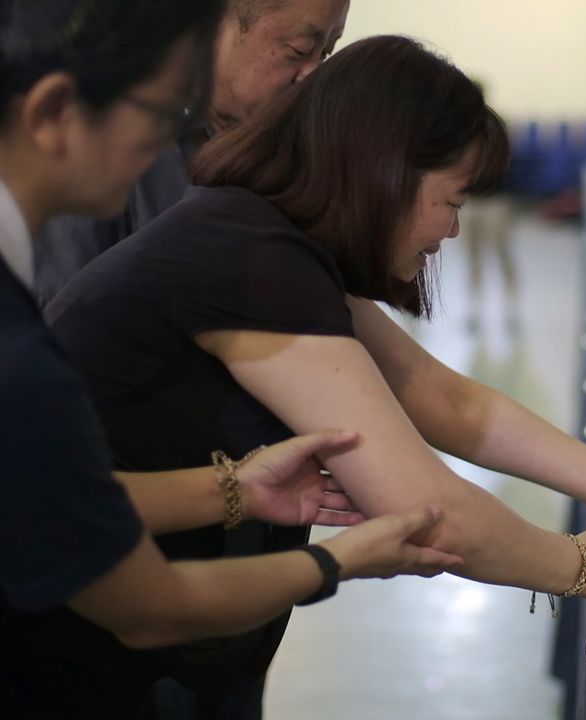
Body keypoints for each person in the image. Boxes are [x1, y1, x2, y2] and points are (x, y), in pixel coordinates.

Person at [46, 32, 586, 709]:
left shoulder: (266, 237)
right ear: (386, 173)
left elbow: (448, 401)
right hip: (81, 634)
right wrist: (582, 564)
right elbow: (431, 510)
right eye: (453, 202)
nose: (452, 232)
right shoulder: (251, 256)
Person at [0, 4, 462, 718]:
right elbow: (146, 602)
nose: (165, 144)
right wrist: (340, 559)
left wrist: (233, 491)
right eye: (158, 113)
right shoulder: (29, 351)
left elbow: (49, 490)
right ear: (54, 110)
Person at [31, 0, 351, 306]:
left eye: (325, 53)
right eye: (299, 50)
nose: (314, 76)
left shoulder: (300, 162)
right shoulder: (99, 133)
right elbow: (59, 316)